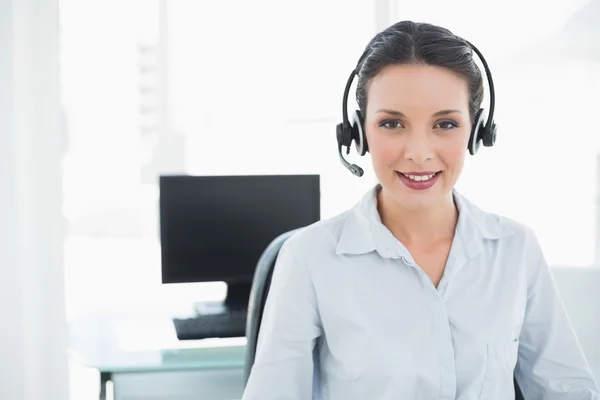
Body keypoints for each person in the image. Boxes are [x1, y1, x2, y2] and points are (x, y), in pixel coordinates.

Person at [242, 21, 600, 400]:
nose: (418, 152)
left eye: (445, 124)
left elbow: (568, 389)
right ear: (358, 133)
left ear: (477, 132)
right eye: (391, 123)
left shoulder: (515, 249)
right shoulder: (310, 258)